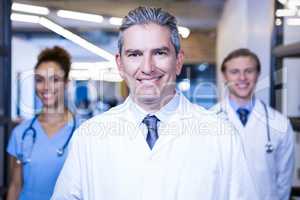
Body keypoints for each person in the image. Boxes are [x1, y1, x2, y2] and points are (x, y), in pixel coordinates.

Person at [51, 7, 258, 200]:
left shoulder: (221, 136)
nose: (147, 67)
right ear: (120, 64)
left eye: (159, 53)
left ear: (178, 61)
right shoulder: (88, 138)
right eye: (135, 54)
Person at [213, 48, 295, 200]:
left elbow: (284, 180)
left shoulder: (280, 124)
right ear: (225, 76)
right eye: (235, 72)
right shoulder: (209, 120)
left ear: (257, 75)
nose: (242, 77)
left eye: (249, 71)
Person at [6, 46, 80, 200]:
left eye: (54, 79)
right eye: (40, 80)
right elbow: (15, 185)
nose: (46, 87)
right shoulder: (21, 133)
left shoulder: (82, 132)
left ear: (66, 83)